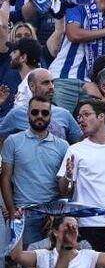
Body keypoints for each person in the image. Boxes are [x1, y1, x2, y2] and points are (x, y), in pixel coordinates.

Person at [57, 98, 105, 252]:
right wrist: (68, 175)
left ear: (101, 116)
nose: (81, 120)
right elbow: (64, 191)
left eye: (86, 114)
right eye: (79, 117)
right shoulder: (75, 150)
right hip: (87, 224)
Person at [0, 95, 69, 246]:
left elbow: (63, 186)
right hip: (25, 214)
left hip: (53, 216)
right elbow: (5, 178)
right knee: (26, 260)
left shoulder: (63, 146)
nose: (40, 116)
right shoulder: (13, 141)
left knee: (56, 259)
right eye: (35, 112)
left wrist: (56, 215)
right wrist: (12, 212)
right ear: (28, 114)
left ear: (50, 115)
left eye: (45, 113)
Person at [9, 215, 105, 268]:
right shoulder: (44, 255)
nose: (73, 229)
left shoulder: (88, 255)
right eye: (68, 226)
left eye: (75, 227)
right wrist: (19, 225)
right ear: (55, 232)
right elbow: (16, 256)